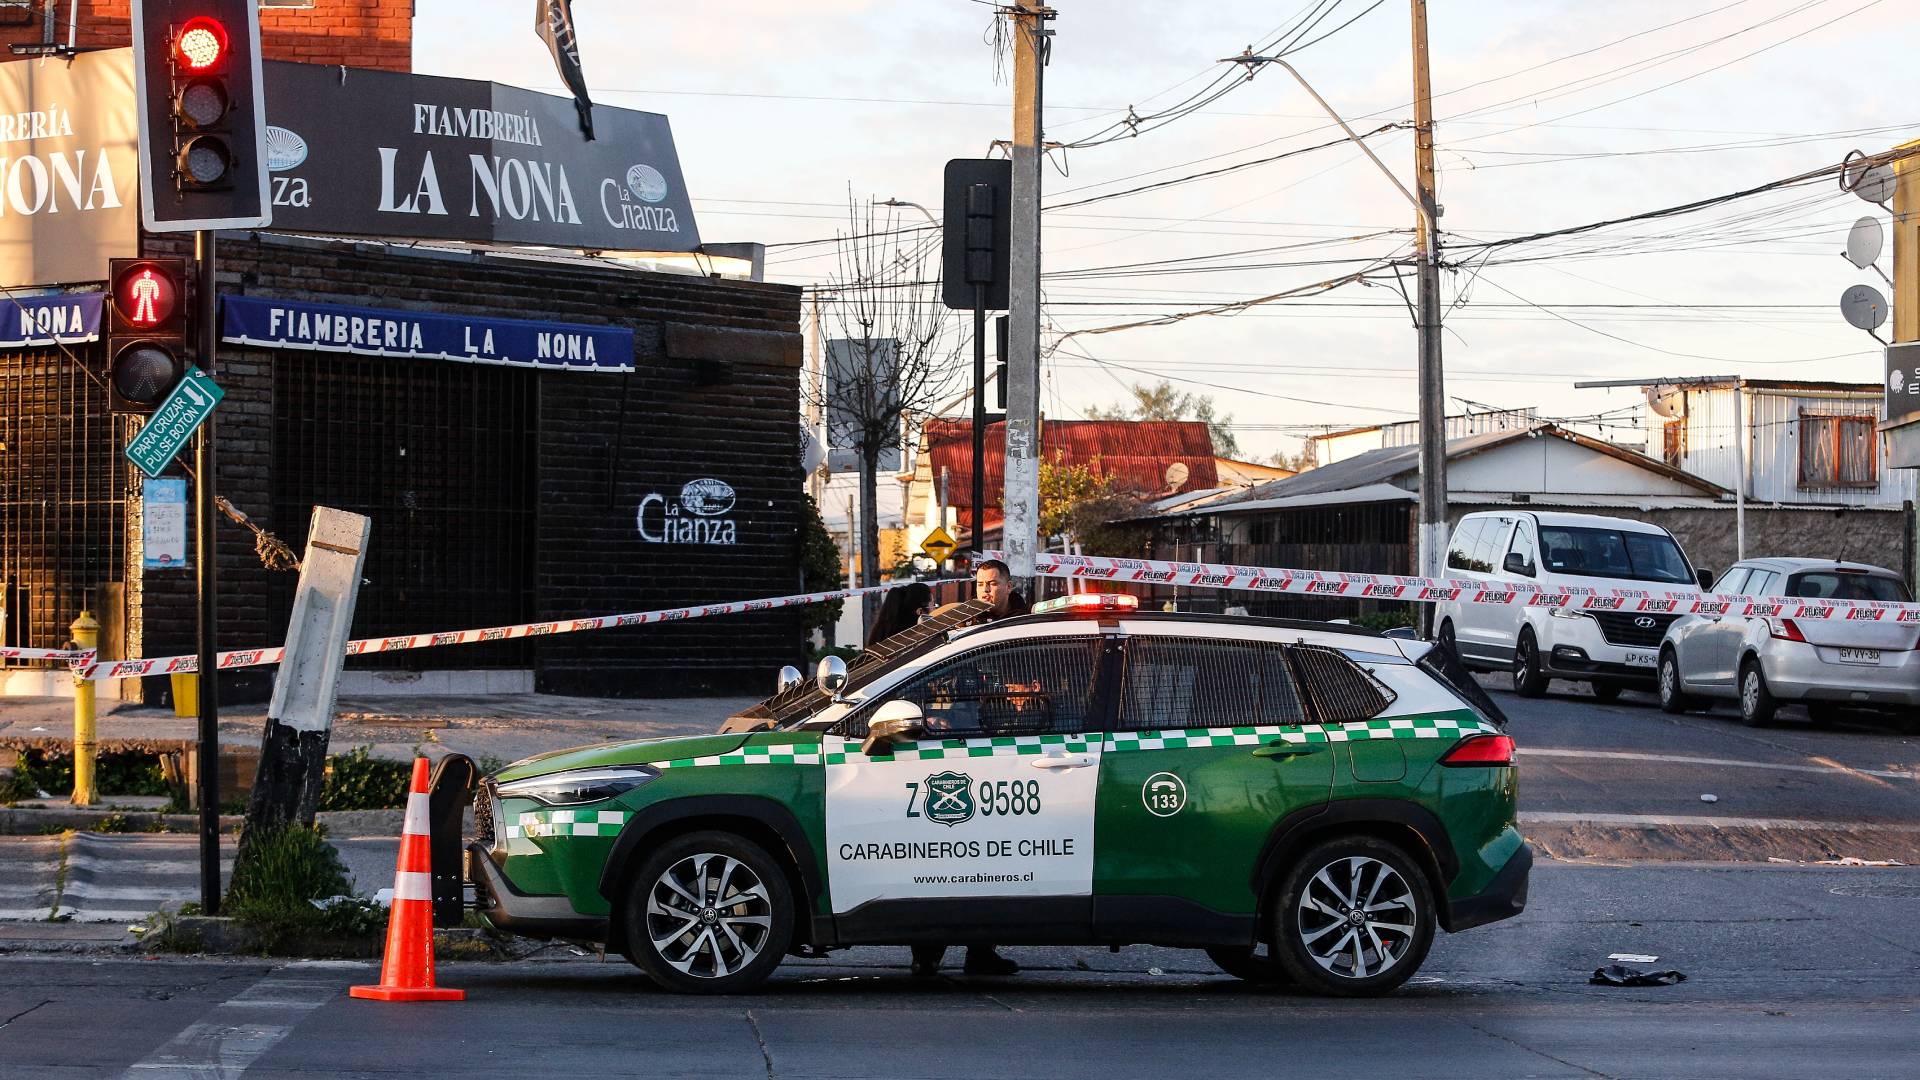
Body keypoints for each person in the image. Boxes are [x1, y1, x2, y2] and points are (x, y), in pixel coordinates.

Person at [910, 559, 1026, 980]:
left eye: (993, 584)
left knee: (990, 858)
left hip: (1005, 743)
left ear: (1009, 585)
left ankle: (982, 951)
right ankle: (927, 954)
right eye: (980, 584)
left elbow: (1029, 679)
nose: (986, 591)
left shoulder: (1022, 625)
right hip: (955, 743)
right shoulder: (962, 622)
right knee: (943, 855)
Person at [866, 581, 933, 646]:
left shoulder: (883, 630)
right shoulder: (914, 639)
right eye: (933, 605)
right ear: (920, 611)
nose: (935, 609)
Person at [971, 558, 1030, 623]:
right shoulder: (969, 618)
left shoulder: (1025, 620)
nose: (985, 589)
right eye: (980, 584)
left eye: (992, 584)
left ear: (1009, 587)